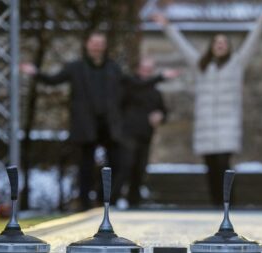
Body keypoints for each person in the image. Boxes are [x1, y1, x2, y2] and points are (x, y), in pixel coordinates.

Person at [21, 31, 168, 210]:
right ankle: (85, 204)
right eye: (94, 43)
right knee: (85, 165)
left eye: (100, 43)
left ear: (104, 46)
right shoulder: (76, 67)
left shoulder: (113, 68)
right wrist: (36, 73)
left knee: (118, 162)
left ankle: (105, 199)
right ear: (87, 45)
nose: (97, 46)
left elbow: (134, 83)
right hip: (86, 125)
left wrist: (160, 77)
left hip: (109, 126)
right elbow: (54, 80)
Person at [152, 11, 262, 206]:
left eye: (223, 43)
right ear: (212, 47)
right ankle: (215, 205)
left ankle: (229, 204)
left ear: (228, 47)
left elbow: (251, 44)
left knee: (224, 165)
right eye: (217, 42)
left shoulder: (237, 64)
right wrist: (167, 26)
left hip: (227, 125)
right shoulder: (200, 65)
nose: (220, 45)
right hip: (206, 127)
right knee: (211, 167)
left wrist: (261, 21)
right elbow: (182, 46)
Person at [118, 57, 169, 207]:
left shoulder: (155, 92)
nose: (147, 72)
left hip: (145, 135)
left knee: (140, 169)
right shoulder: (129, 85)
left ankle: (134, 202)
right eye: (144, 68)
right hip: (127, 134)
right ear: (138, 69)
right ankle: (112, 200)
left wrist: (160, 115)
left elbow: (163, 111)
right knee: (125, 166)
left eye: (150, 69)